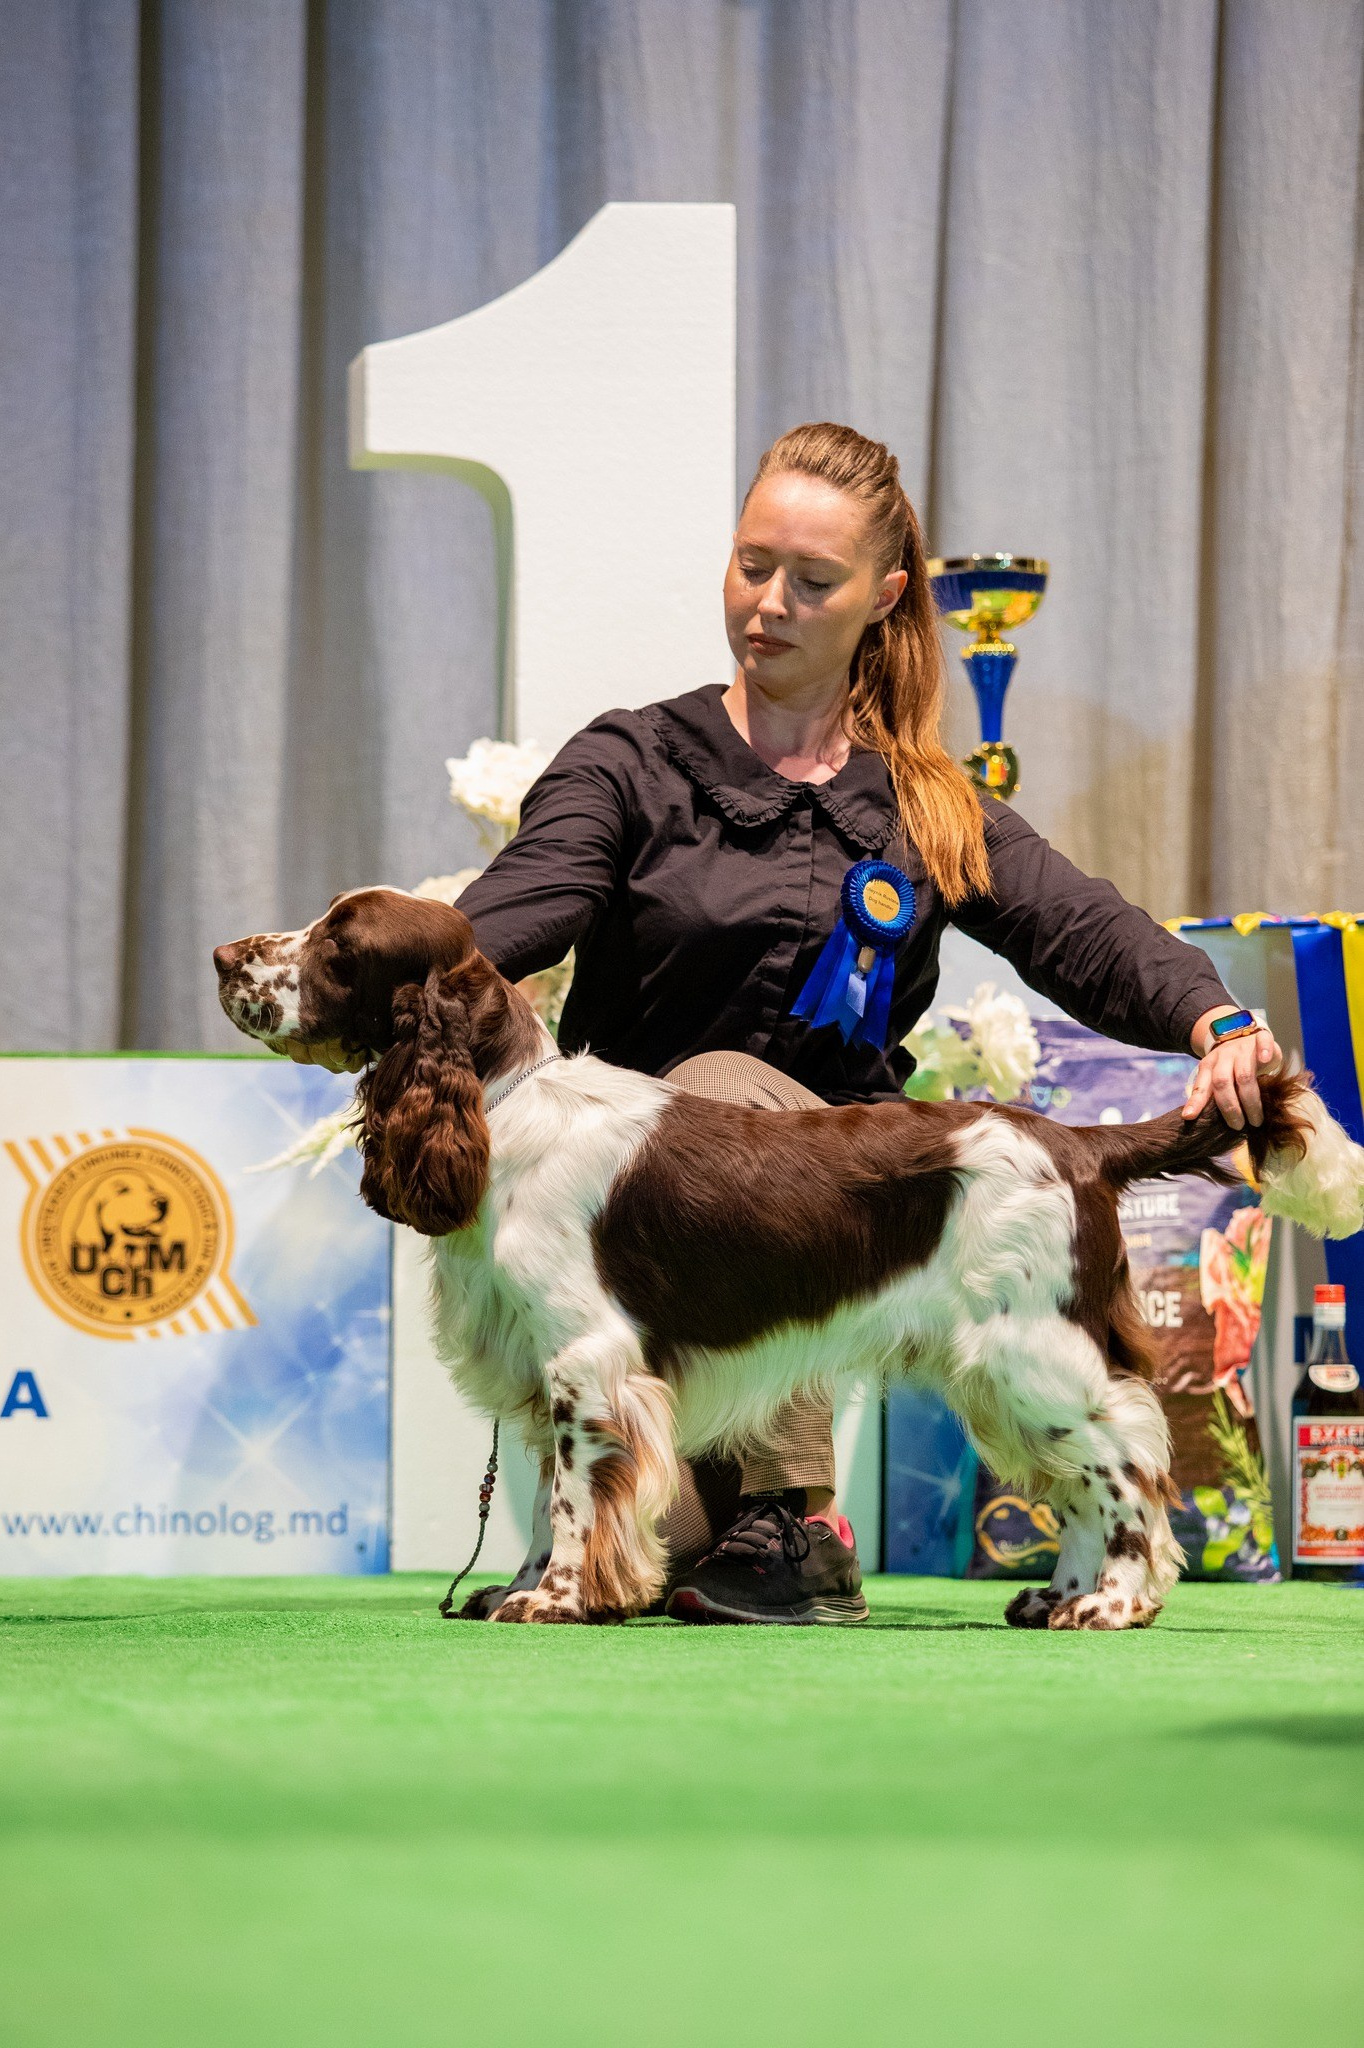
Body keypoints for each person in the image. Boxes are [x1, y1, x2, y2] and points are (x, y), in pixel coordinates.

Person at [447, 421, 1281, 1624]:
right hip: (637, 1255)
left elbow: (1076, 925)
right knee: (663, 1553)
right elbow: (526, 898)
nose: (766, 604)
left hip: (848, 1223)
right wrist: (402, 974)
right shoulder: (632, 760)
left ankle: (794, 1516)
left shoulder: (922, 802)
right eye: (750, 565)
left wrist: (1212, 1015)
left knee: (725, 1090)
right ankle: (704, 1530)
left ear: (883, 596)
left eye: (811, 580)